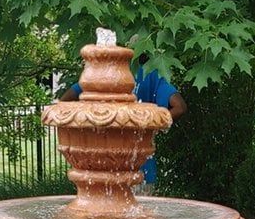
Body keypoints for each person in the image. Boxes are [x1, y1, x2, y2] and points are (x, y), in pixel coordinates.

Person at [60, 53, 187, 194]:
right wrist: (150, 128)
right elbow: (180, 107)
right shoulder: (151, 73)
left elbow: (64, 101)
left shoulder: (106, 74)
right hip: (141, 169)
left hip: (102, 168)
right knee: (139, 213)